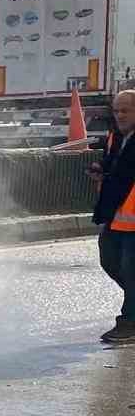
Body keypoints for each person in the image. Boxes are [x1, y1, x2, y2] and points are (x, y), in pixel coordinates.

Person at [88, 89, 135, 343]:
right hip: (115, 215)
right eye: (117, 111)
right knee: (109, 261)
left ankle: (129, 321)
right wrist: (100, 169)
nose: (120, 115)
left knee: (131, 269)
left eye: (126, 110)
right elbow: (111, 164)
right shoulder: (115, 137)